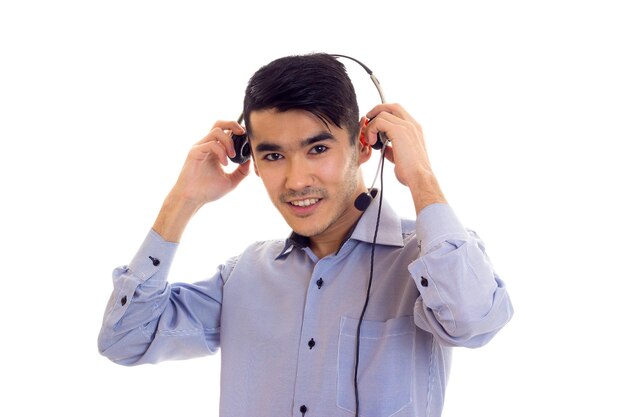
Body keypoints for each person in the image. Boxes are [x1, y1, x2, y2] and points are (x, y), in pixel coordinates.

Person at [98, 53, 513, 417]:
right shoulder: (242, 276)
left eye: (318, 149)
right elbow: (125, 339)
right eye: (274, 155)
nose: (296, 181)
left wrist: (421, 177)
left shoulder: (429, 261)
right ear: (254, 163)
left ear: (364, 146)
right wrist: (180, 202)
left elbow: (475, 322)